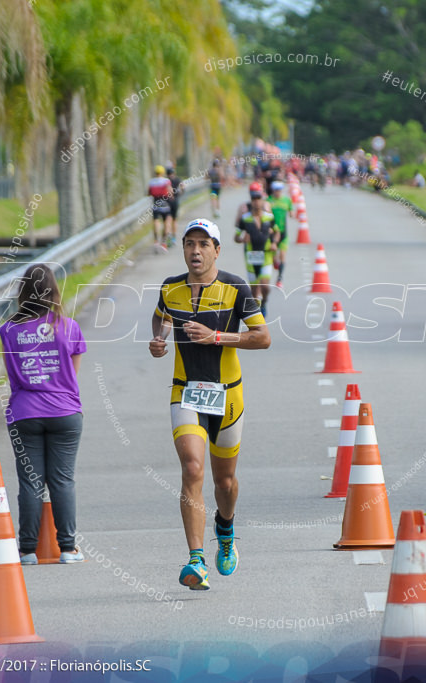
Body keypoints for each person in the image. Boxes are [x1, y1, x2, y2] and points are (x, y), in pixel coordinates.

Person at [149, 219, 270, 590]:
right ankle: (196, 560)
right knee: (192, 468)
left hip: (228, 395)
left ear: (217, 249)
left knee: (225, 481)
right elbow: (160, 319)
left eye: (204, 244)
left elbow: (262, 337)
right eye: (189, 244)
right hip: (185, 390)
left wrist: (216, 337)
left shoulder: (235, 287)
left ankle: (226, 527)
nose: (196, 251)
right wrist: (159, 340)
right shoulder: (171, 288)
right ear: (183, 248)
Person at [0, 263, 87, 565]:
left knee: (30, 482)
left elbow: (12, 375)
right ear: (53, 291)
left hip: (24, 412)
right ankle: (67, 548)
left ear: (22, 292)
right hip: (65, 411)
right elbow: (72, 378)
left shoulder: (9, 330)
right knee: (62, 480)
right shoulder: (69, 326)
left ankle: (27, 551)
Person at [235, 183, 279, 318]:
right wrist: (243, 239)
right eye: (254, 198)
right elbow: (236, 237)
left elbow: (276, 232)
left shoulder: (269, 216)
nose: (256, 201)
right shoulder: (245, 216)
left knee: (265, 287)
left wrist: (274, 243)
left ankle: (264, 302)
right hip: (251, 256)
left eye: (258, 198)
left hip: (266, 255)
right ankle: (257, 315)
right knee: (254, 291)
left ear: (262, 198)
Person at [268, 181, 294, 287]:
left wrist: (292, 214)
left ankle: (279, 279)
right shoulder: (268, 201)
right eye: (276, 190)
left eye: (279, 190)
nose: (278, 192)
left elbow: (291, 212)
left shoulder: (287, 200)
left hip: (283, 233)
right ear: (273, 191)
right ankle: (275, 263)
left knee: (283, 255)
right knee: (274, 258)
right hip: (271, 233)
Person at [148, 165, 172, 252]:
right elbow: (170, 192)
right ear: (162, 173)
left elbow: (149, 193)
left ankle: (156, 241)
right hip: (165, 204)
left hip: (156, 204)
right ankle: (163, 242)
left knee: (156, 221)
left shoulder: (151, 182)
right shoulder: (166, 181)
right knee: (166, 222)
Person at [166, 166, 184, 246]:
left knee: (168, 219)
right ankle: (173, 238)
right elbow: (183, 187)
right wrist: (180, 193)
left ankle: (168, 235)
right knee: (174, 220)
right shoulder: (177, 179)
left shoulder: (166, 181)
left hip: (167, 202)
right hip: (175, 201)